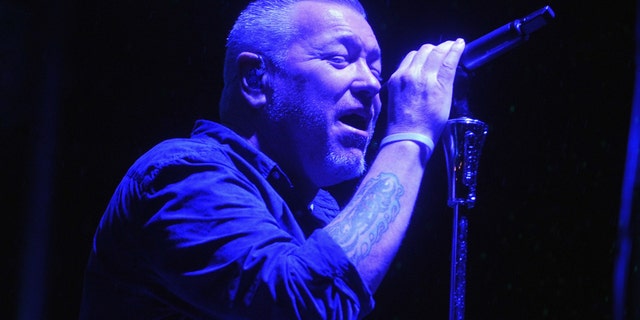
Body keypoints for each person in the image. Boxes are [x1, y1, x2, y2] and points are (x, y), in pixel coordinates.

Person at [79, 0, 465, 318]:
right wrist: (408, 136)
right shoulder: (180, 176)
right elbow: (307, 303)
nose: (371, 84)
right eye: (339, 59)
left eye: (376, 68)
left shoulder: (321, 213)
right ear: (255, 79)